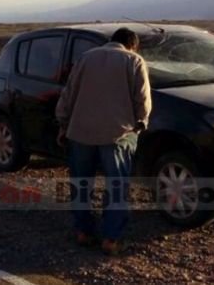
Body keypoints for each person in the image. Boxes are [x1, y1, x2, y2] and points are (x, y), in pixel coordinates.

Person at [55, 27, 151, 255]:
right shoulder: (135, 61)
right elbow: (143, 100)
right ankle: (110, 238)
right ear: (133, 45)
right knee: (116, 186)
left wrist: (63, 124)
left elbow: (68, 94)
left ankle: (83, 232)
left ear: (111, 41)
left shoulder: (86, 58)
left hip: (80, 132)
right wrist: (141, 123)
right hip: (117, 135)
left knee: (81, 183)